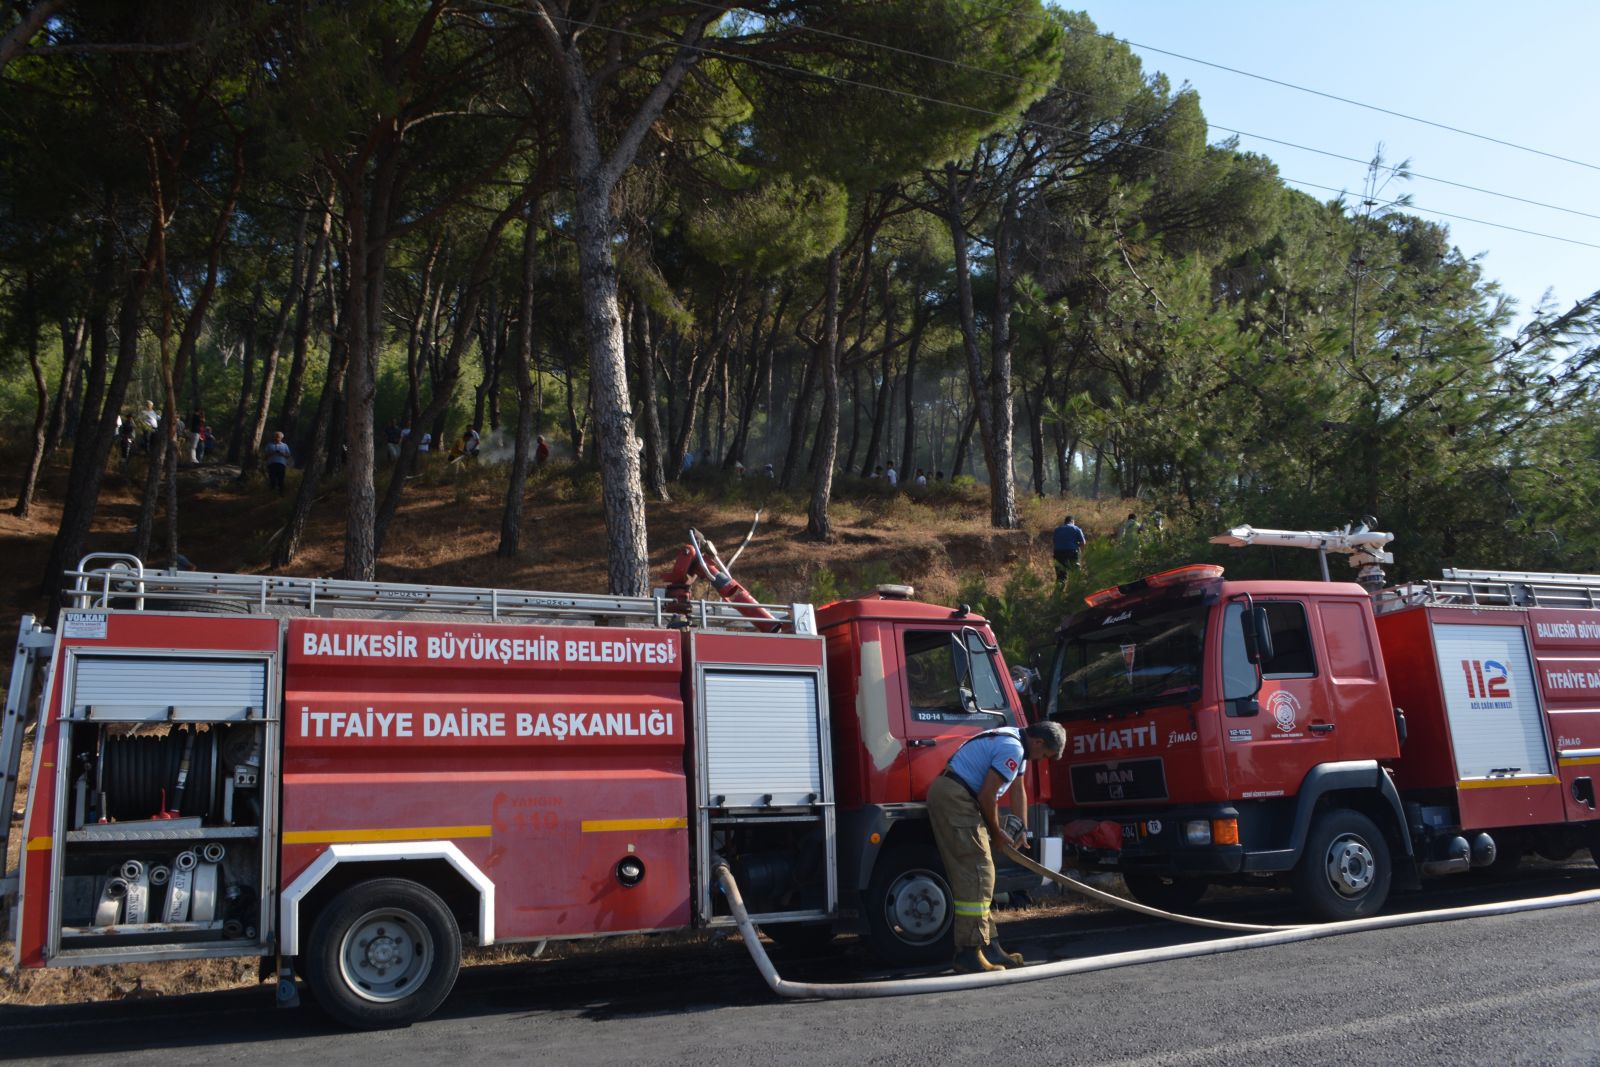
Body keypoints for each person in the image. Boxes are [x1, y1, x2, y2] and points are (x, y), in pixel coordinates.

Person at [929, 721, 1066, 973]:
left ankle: (990, 948)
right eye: (1044, 754)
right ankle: (969, 953)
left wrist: (1022, 830)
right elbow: (987, 796)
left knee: (983, 875)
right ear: (1038, 742)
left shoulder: (1019, 746)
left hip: (958, 797)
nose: (1040, 759)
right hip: (957, 799)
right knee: (977, 873)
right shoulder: (1012, 747)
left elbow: (1018, 790)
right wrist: (997, 834)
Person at [1052, 515, 1086, 583]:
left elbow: (1054, 541)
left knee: (1061, 577)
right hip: (1072, 553)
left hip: (1058, 554)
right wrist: (1076, 545)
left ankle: (1058, 592)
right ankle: (1076, 590)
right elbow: (1083, 543)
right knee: (1075, 575)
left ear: (1065, 522)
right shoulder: (1076, 529)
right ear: (1073, 521)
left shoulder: (1057, 529)